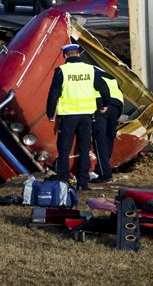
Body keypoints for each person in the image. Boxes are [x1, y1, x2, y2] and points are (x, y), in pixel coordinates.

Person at [46, 43, 110, 190]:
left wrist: (50, 113)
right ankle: (83, 182)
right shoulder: (90, 69)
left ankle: (63, 180)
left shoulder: (62, 71)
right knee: (84, 148)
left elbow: (53, 94)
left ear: (65, 56)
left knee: (64, 149)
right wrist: (105, 103)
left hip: (68, 116)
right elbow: (104, 87)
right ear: (79, 54)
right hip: (86, 116)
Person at [90, 68, 124, 183]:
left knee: (99, 140)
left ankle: (105, 174)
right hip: (117, 105)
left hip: (102, 105)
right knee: (108, 138)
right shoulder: (110, 76)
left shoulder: (90, 75)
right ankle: (102, 169)